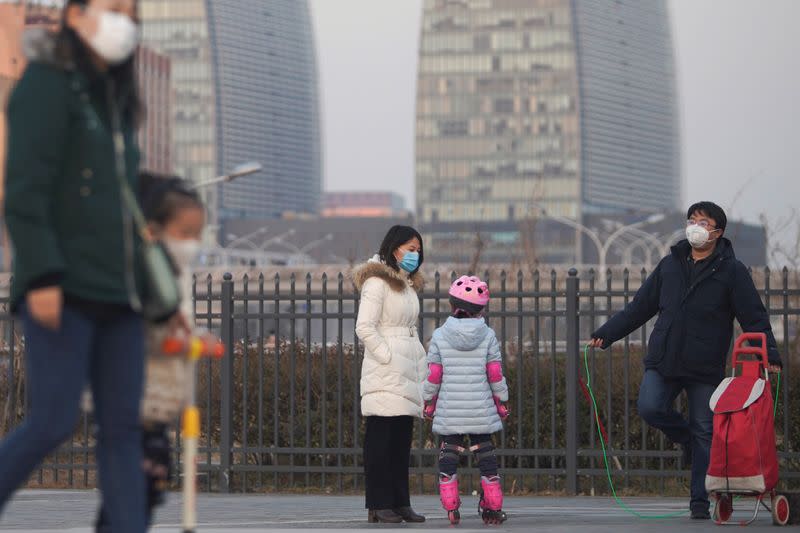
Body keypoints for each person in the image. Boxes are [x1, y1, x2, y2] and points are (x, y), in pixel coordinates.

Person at [0, 1, 149, 531]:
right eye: (110, 8)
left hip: (120, 292)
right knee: (53, 420)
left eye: (130, 12)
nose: (120, 21)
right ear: (75, 14)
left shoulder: (114, 97)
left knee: (123, 428)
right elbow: (23, 192)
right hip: (61, 285)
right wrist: (40, 274)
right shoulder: (47, 83)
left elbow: (126, 208)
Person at [589, 201, 782, 520]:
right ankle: (686, 439)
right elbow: (639, 308)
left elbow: (754, 316)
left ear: (718, 232)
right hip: (664, 357)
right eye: (692, 220)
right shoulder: (670, 264)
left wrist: (770, 354)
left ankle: (699, 501)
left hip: (704, 365)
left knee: (705, 429)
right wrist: (607, 333)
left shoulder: (732, 271)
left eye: (703, 222)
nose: (695, 226)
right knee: (650, 407)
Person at [94, 174, 205, 532]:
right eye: (184, 233)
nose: (192, 243)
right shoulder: (141, 272)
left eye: (197, 234)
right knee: (131, 489)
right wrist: (173, 344)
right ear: (155, 228)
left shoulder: (176, 273)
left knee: (151, 487)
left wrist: (198, 338)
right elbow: (135, 332)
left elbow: (178, 326)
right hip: (132, 400)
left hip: (158, 403)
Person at [352, 225, 427, 524]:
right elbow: (364, 327)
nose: (415, 254)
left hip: (406, 368)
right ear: (394, 248)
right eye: (410, 249)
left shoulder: (406, 284)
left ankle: (400, 502)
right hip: (386, 370)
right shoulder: (377, 283)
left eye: (418, 250)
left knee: (400, 439)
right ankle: (379, 503)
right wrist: (386, 356)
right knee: (380, 439)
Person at [422, 275, 509, 525]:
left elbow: (434, 375)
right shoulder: (488, 335)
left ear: (452, 306)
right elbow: (494, 373)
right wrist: (502, 399)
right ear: (481, 309)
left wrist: (428, 400)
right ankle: (493, 505)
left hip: (451, 410)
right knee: (486, 456)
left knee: (449, 454)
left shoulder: (439, 335)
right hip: (481, 409)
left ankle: (451, 506)